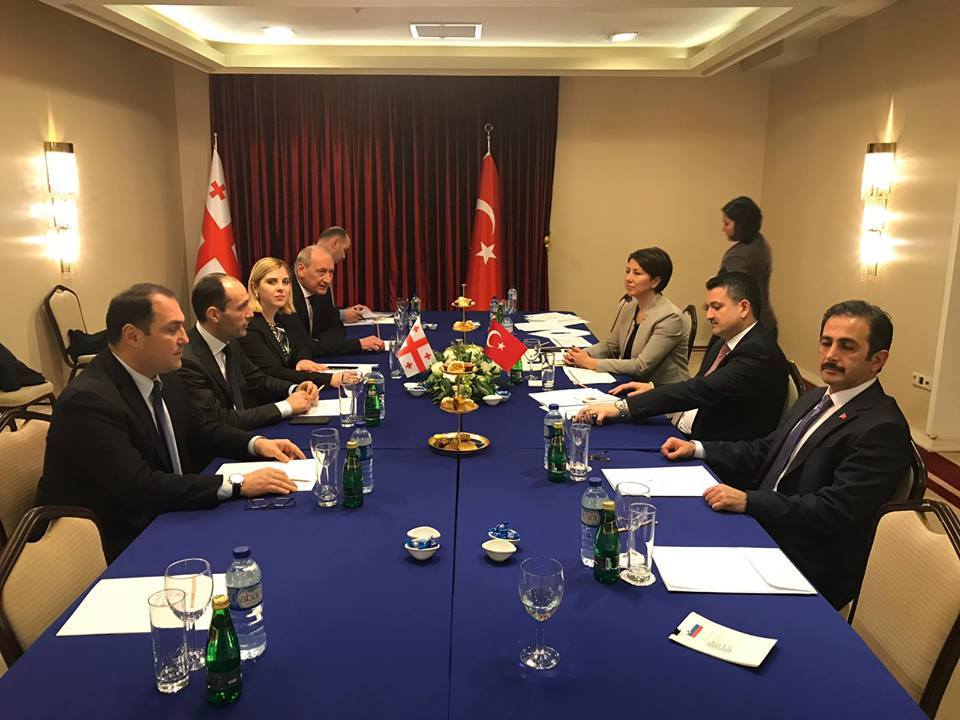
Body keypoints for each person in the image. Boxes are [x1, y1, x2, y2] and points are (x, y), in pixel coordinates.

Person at [660, 300, 912, 609]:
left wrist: (749, 501)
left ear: (878, 360)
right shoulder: (817, 397)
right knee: (662, 532)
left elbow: (834, 511)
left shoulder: (882, 428)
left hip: (802, 558)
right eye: (826, 342)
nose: (831, 355)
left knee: (675, 594)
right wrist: (698, 448)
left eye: (847, 347)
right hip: (763, 524)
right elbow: (766, 450)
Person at [37, 283, 302, 562]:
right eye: (172, 329)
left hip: (163, 513)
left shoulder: (163, 374)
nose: (185, 338)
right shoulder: (88, 401)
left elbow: (201, 429)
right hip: (111, 542)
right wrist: (237, 484)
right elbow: (141, 486)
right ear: (132, 336)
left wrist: (256, 444)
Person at [578, 272, 787, 442]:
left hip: (711, 446)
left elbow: (699, 390)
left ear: (743, 308)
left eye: (716, 307)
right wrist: (654, 388)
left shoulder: (758, 353)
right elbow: (703, 384)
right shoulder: (726, 341)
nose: (709, 316)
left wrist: (622, 407)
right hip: (686, 423)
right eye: (708, 308)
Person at [179, 273, 319, 430]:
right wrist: (287, 406)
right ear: (214, 315)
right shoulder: (187, 361)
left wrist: (294, 388)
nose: (250, 314)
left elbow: (258, 380)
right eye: (241, 307)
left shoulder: (230, 340)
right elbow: (219, 419)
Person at [564, 247, 689, 384]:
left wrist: (592, 363)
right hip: (630, 380)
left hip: (663, 389)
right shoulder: (630, 306)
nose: (628, 278)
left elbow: (641, 366)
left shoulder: (670, 317)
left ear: (655, 281)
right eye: (627, 271)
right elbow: (611, 345)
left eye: (637, 273)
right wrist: (584, 354)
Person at [238, 257, 360, 389]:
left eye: (285, 282)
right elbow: (274, 373)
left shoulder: (282, 317)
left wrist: (302, 359)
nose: (281, 288)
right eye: (272, 282)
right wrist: (328, 379)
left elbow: (302, 346)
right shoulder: (249, 325)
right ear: (254, 287)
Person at [290, 245, 384, 356]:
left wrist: (322, 344)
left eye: (331, 272)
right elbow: (302, 347)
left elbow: (336, 326)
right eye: (321, 272)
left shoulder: (319, 288)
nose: (328, 280)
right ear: (301, 270)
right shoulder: (286, 294)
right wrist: (358, 344)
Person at [719, 196, 777, 335]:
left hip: (747, 328)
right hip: (764, 322)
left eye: (726, 223)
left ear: (740, 225)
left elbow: (733, 295)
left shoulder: (739, 256)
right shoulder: (760, 243)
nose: (723, 228)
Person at [315, 225, 369, 325]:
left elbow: (324, 308)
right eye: (344, 250)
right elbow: (313, 312)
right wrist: (342, 315)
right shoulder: (309, 267)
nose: (344, 256)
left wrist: (347, 312)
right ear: (335, 243)